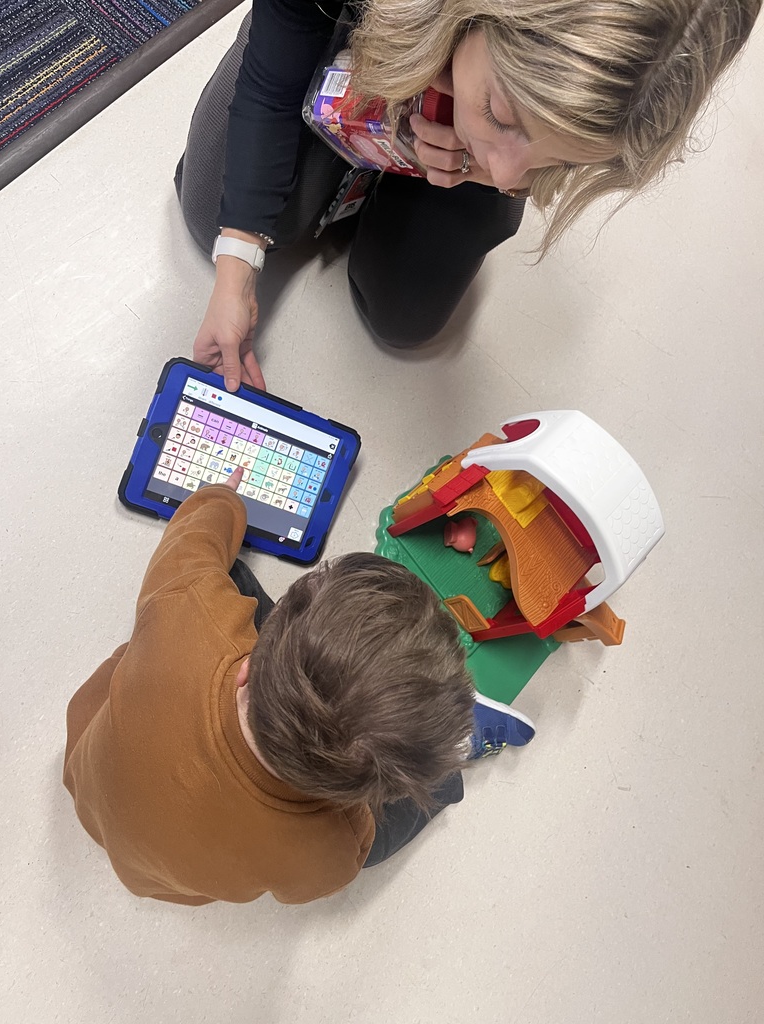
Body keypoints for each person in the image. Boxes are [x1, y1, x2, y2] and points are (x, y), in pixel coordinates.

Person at [176, 0, 761, 392]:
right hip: (349, 19)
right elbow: (272, 87)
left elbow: (518, 162)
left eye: (556, 156)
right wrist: (238, 267)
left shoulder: (690, 33)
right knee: (215, 218)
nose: (505, 173)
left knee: (406, 319)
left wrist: (500, 159)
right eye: (503, 115)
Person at [63, 467, 533, 905]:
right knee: (427, 795)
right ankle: (458, 748)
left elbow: (189, 541)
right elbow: (337, 857)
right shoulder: (337, 842)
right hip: (177, 875)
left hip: (89, 783)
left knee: (222, 576)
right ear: (356, 794)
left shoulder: (190, 609)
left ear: (250, 664)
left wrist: (222, 499)